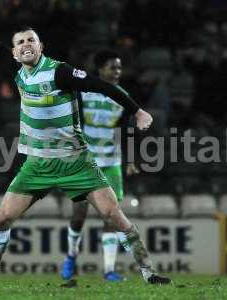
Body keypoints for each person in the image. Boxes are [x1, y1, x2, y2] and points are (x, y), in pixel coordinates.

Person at [0, 27, 171, 285]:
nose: (26, 44)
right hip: (37, 163)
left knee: (113, 215)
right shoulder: (17, 68)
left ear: (42, 47)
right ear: (15, 53)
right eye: (20, 42)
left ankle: (149, 273)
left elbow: (100, 85)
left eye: (32, 40)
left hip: (76, 162)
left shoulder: (59, 72)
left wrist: (137, 111)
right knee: (4, 217)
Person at [60, 49, 139, 282]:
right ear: (101, 69)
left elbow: (128, 130)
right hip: (84, 163)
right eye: (113, 67)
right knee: (78, 215)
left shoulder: (122, 95)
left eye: (119, 67)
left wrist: (131, 159)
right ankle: (71, 257)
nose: (117, 72)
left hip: (111, 163)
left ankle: (109, 270)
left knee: (111, 217)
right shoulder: (84, 93)